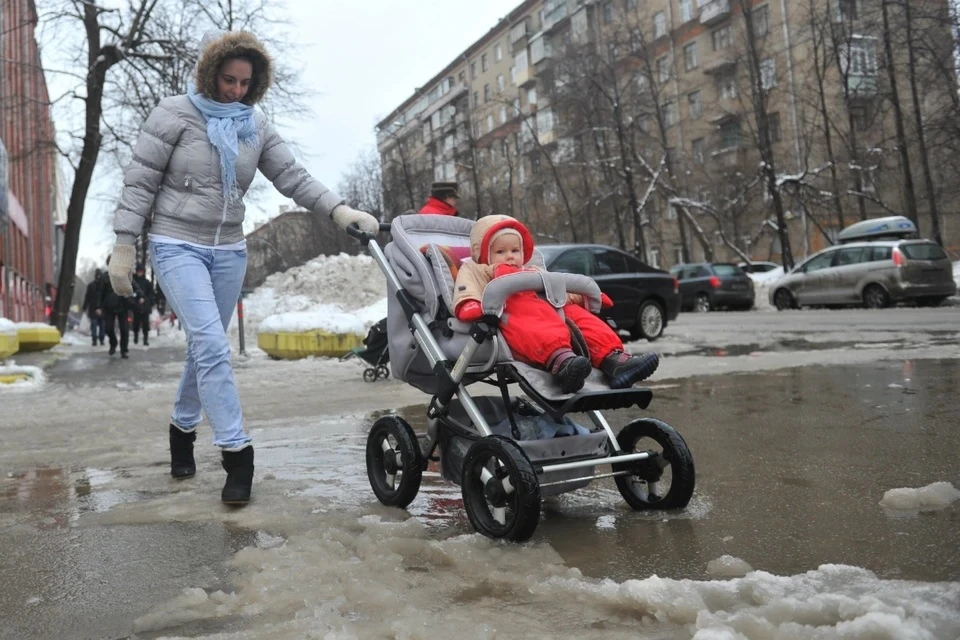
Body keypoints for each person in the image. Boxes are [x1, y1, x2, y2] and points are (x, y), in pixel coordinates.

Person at [106, 30, 379, 506]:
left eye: (244, 83)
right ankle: (237, 453)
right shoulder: (172, 115)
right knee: (212, 343)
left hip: (229, 249)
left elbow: (293, 177)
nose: (235, 91)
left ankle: (181, 429)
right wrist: (125, 245)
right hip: (176, 244)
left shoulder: (253, 124)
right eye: (228, 80)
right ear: (210, 74)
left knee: (203, 345)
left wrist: (341, 211)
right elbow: (140, 183)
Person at [453, 215, 660, 394]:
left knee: (576, 314)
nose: (510, 256)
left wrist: (582, 296)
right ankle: (563, 364)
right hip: (510, 311)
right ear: (483, 254)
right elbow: (466, 286)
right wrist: (470, 303)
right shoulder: (478, 270)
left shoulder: (533, 272)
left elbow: (559, 293)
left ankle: (613, 360)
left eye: (515, 250)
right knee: (530, 315)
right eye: (500, 251)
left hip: (548, 308)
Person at [100, 256, 140, 359]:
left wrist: (140, 295)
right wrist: (98, 306)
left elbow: (135, 286)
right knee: (108, 328)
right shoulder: (104, 277)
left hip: (123, 306)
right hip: (109, 307)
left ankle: (124, 350)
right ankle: (113, 343)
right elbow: (100, 293)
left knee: (124, 330)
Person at [131, 263, 154, 346]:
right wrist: (136, 299)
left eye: (141, 271)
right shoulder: (133, 282)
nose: (139, 273)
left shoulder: (147, 282)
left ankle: (145, 339)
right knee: (136, 323)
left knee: (145, 324)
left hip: (145, 306)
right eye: (138, 271)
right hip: (136, 306)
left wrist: (145, 300)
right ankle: (136, 336)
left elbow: (151, 294)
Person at [82, 269, 106, 346]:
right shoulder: (103, 286)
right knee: (99, 325)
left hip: (95, 309)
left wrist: (84, 307)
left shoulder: (92, 285)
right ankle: (99, 339)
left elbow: (87, 297)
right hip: (100, 309)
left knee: (96, 325)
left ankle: (96, 339)